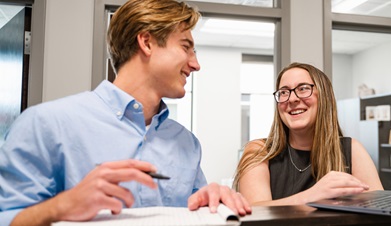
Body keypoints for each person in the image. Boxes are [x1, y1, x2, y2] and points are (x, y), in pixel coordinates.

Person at [0, 0, 251, 225]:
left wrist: (212, 201)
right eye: (186, 47)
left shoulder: (187, 143)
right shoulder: (45, 124)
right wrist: (62, 206)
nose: (196, 64)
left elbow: (192, 212)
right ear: (147, 42)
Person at [233, 62, 383, 206]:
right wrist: (309, 197)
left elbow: (379, 209)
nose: (292, 99)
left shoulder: (351, 150)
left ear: (324, 97)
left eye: (303, 88)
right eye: (284, 92)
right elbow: (255, 211)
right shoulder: (259, 151)